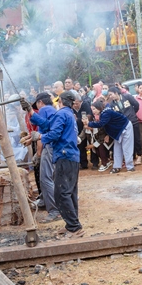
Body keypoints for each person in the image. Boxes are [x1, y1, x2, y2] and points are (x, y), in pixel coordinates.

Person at [43, 91, 84, 239]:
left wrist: (41, 137)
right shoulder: (70, 114)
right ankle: (72, 225)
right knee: (70, 192)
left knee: (61, 193)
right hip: (72, 156)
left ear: (60, 101)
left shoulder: (61, 114)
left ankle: (74, 227)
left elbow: (54, 134)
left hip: (64, 155)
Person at [29, 92, 61, 222]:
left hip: (49, 146)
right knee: (52, 177)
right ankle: (44, 201)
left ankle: (54, 210)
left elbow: (41, 135)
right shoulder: (53, 110)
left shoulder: (44, 109)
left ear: (40, 102)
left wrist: (38, 154)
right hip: (56, 147)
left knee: (45, 178)